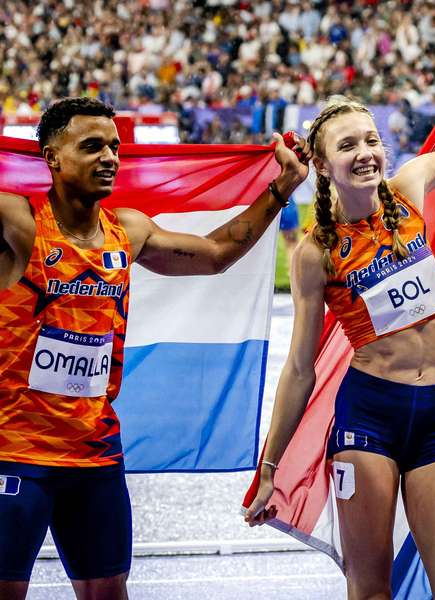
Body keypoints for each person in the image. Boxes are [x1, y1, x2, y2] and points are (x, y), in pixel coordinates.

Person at [243, 2, 435, 599]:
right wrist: (271, 466)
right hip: (369, 416)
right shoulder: (316, 252)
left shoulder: (407, 190)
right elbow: (301, 368)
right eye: (347, 145)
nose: (365, 153)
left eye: (371, 140)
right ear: (324, 166)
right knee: (370, 589)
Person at [0, 96, 308, 600]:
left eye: (115, 147)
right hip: (14, 453)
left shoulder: (129, 230)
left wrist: (282, 186)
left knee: (108, 591)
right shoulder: (20, 223)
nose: (109, 157)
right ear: (52, 157)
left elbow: (215, 255)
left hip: (93, 453)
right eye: (91, 146)